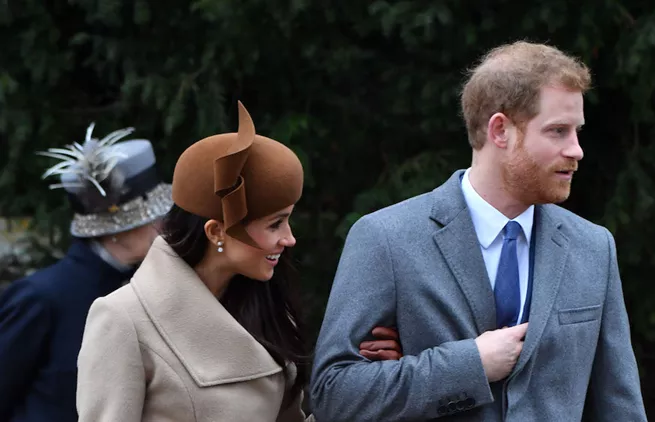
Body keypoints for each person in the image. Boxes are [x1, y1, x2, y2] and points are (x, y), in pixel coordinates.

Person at [310, 41, 648, 421]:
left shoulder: (593, 247)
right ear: (500, 130)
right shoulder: (386, 239)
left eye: (577, 132)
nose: (577, 150)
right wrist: (471, 365)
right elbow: (333, 394)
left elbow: (620, 405)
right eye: (558, 131)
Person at [75, 101, 401, 422]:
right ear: (216, 231)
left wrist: (370, 378)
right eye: (275, 224)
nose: (289, 239)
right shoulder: (122, 319)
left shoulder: (267, 309)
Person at [0, 123, 172, 422]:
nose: (165, 225)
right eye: (155, 217)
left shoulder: (149, 288)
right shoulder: (40, 298)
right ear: (116, 229)